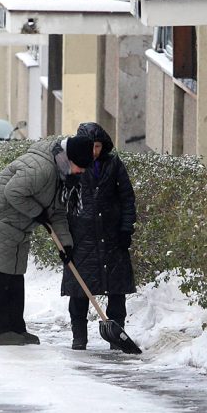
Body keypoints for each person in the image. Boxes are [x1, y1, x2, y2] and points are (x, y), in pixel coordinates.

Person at [0, 135, 95, 346]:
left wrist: (66, 245)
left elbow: (57, 213)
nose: (81, 172)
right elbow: (13, 192)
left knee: (14, 277)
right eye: (80, 167)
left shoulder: (62, 174)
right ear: (68, 159)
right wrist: (37, 212)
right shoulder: (42, 168)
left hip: (13, 226)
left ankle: (15, 328)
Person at [61, 123, 137, 350]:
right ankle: (79, 336)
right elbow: (62, 204)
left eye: (97, 146)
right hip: (81, 237)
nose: (94, 151)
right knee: (80, 288)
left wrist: (125, 229)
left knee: (116, 288)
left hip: (111, 236)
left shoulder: (113, 164)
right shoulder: (71, 166)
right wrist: (65, 239)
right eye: (90, 146)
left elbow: (127, 198)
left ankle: (117, 334)